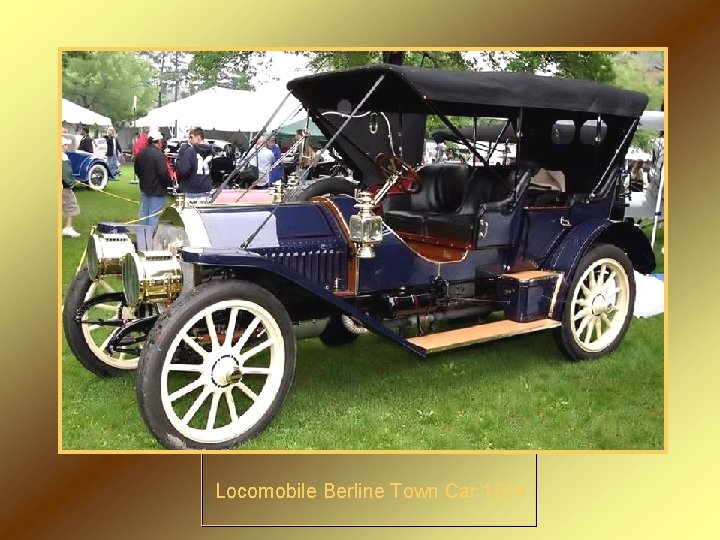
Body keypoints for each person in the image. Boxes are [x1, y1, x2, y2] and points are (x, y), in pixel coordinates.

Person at [134, 129, 172, 226]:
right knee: (154, 216)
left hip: (144, 188)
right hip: (157, 191)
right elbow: (163, 172)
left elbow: (137, 170)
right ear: (159, 141)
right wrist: (167, 183)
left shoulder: (141, 153)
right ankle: (151, 239)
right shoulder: (158, 155)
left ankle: (143, 238)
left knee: (144, 215)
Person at [176, 126, 213, 200]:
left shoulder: (190, 151)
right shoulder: (210, 151)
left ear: (198, 137)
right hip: (206, 188)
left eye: (191, 137)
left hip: (191, 189)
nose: (190, 139)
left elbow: (184, 171)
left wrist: (179, 162)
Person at [61, 136, 81, 238]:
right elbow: (66, 172)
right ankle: (68, 228)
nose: (67, 146)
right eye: (66, 145)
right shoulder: (63, 156)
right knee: (71, 206)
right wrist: (71, 183)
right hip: (64, 187)